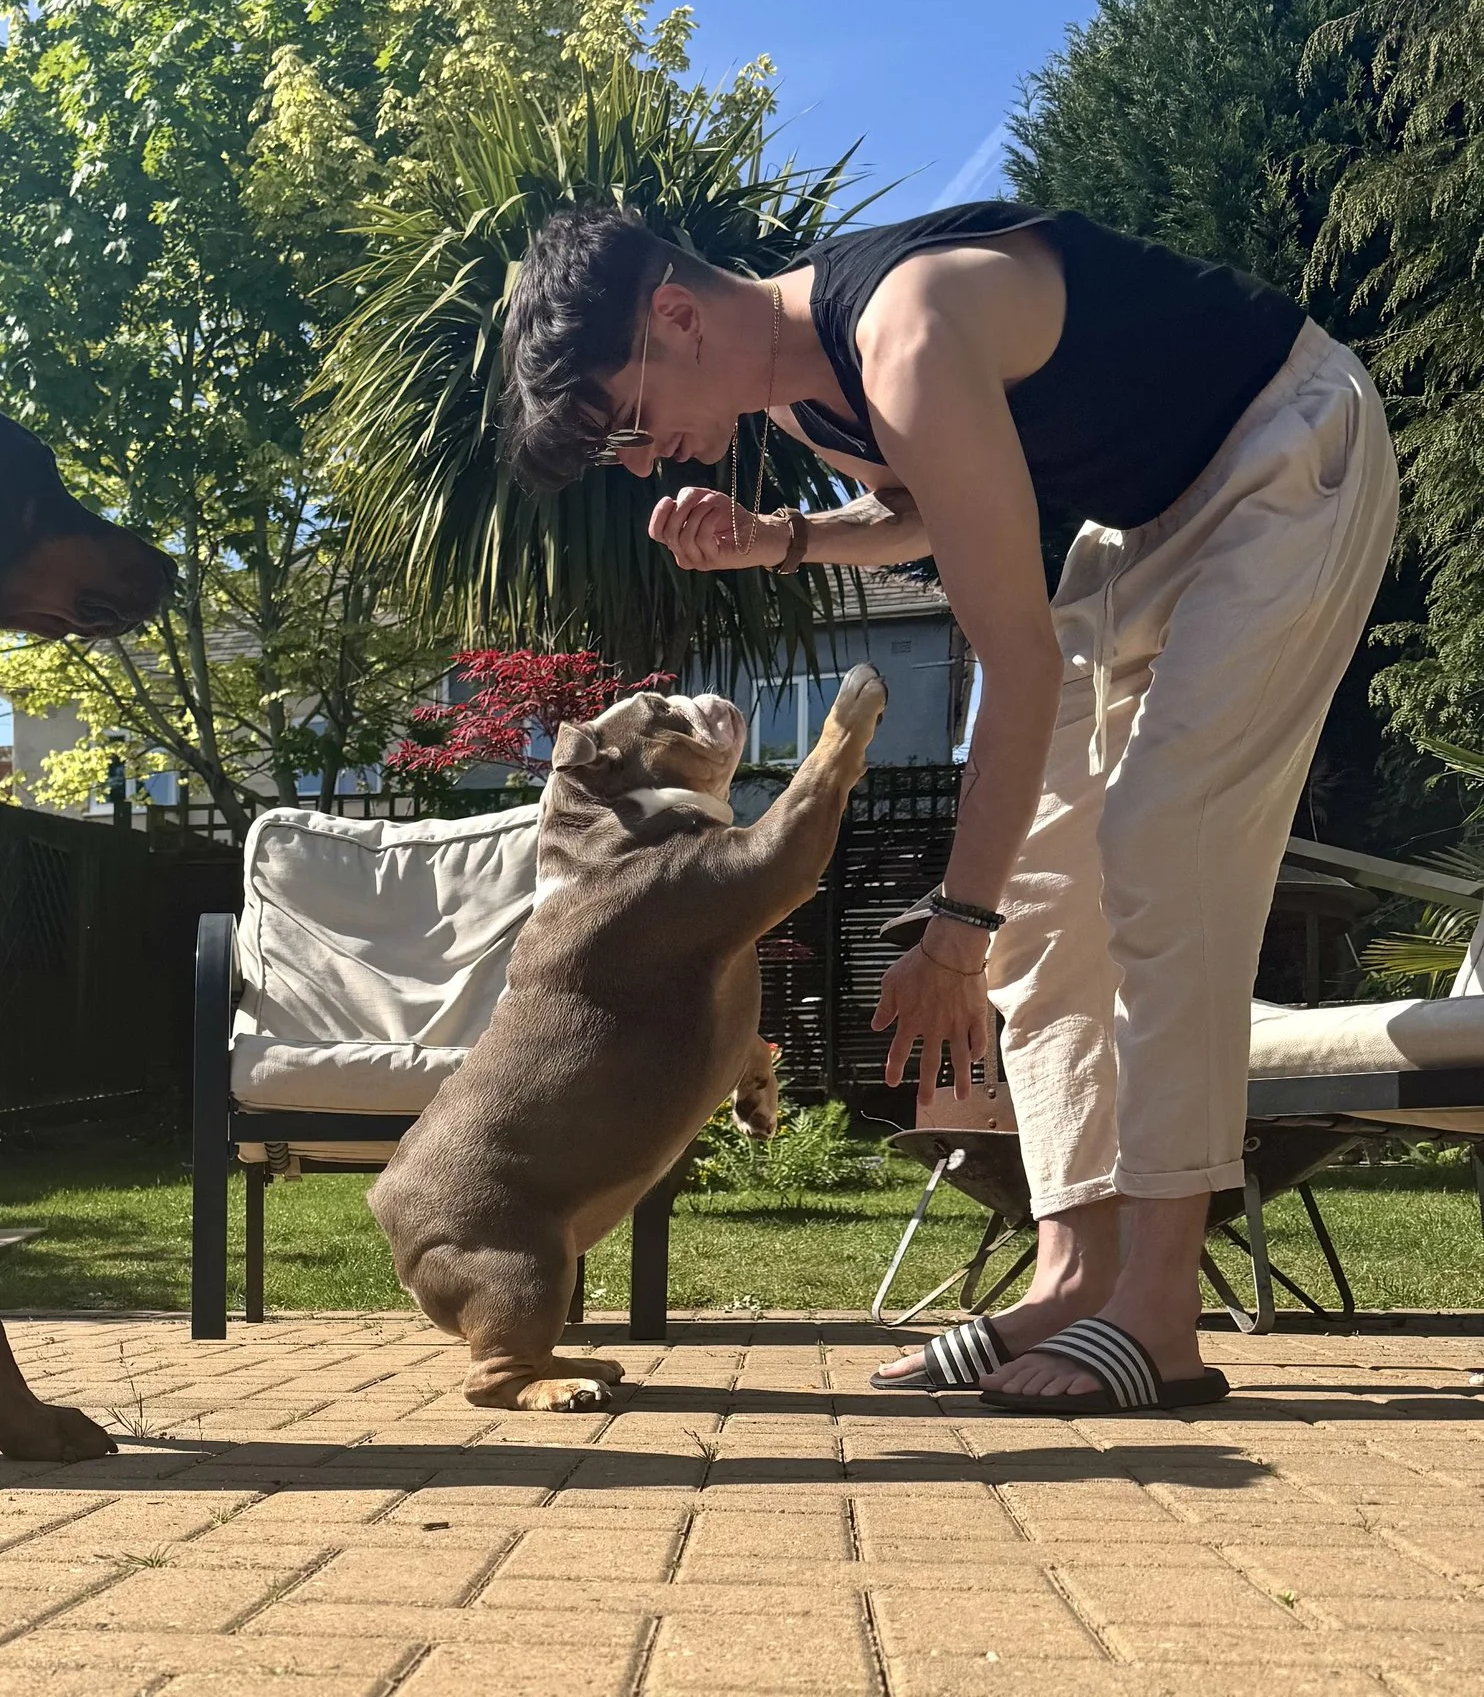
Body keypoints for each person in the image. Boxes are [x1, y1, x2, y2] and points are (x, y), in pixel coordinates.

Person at [495, 200, 1397, 1412]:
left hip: (1286, 449)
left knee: (1158, 845)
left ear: (674, 316)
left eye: (626, 420)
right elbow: (928, 503)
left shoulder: (904, 330)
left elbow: (1013, 662)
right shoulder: (808, 395)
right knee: (1043, 888)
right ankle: (1075, 1273)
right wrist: (779, 538)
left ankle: (1159, 1315)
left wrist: (954, 930)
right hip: (1142, 523)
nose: (647, 459)